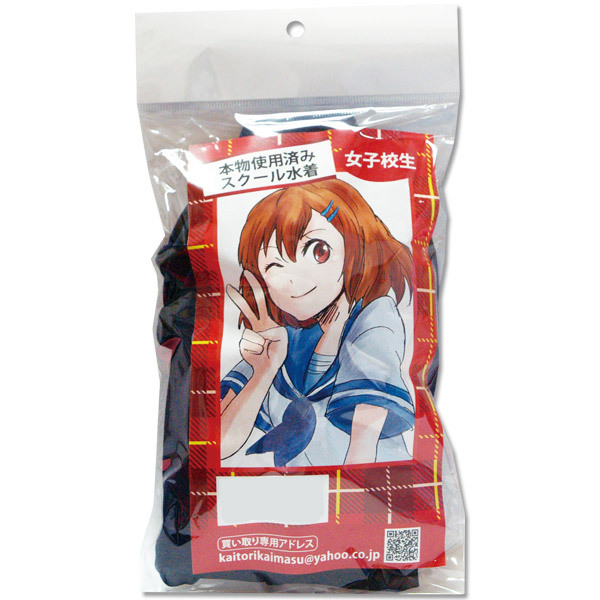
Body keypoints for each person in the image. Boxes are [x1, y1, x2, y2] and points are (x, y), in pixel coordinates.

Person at [220, 178, 415, 467]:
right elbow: (220, 444)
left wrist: (352, 489)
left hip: (367, 485)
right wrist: (263, 371)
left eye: (318, 251)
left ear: (356, 246)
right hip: (298, 490)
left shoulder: (374, 315)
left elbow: (365, 436)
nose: (294, 278)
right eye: (274, 265)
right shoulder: (278, 336)